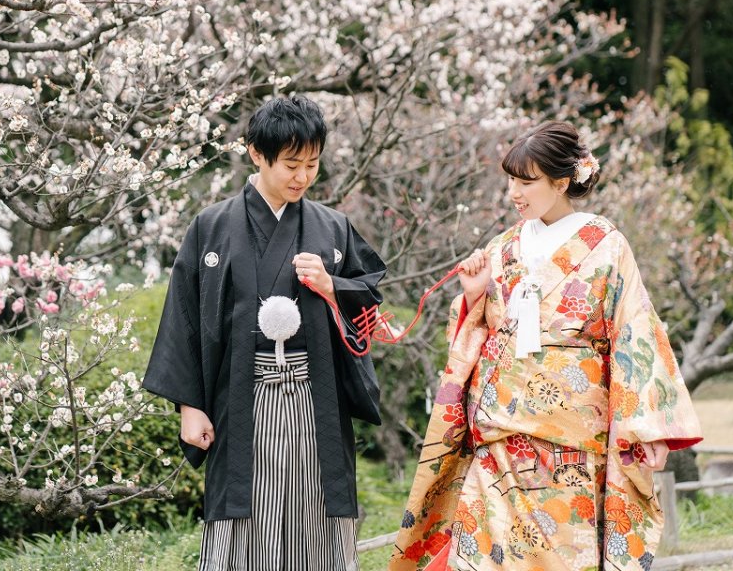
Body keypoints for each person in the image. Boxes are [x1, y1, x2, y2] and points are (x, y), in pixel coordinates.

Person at [390, 121, 702, 571]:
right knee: (479, 555)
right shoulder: (502, 248)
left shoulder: (606, 246)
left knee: (560, 557)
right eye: (511, 180)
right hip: (498, 428)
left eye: (526, 181)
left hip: (570, 436)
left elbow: (635, 330)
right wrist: (474, 296)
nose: (514, 192)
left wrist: (646, 428)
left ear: (560, 182)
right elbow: (472, 332)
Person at [143, 95, 388, 571]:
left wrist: (332, 285)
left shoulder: (332, 227)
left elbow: (369, 296)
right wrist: (189, 409)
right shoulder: (210, 227)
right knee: (243, 516)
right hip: (241, 398)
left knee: (317, 513)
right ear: (256, 153)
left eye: (312, 164)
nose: (302, 177)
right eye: (291, 164)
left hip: (315, 399)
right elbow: (183, 317)